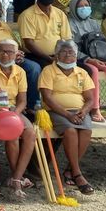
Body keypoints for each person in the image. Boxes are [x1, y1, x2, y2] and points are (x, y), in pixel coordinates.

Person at [38, 39, 96, 194]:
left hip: (79, 111)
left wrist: (84, 111)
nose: (68, 55)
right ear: (56, 55)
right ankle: (77, 174)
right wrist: (67, 115)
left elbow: (90, 99)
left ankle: (70, 170)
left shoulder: (82, 72)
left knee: (86, 131)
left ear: (76, 55)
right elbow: (47, 98)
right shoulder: (48, 71)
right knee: (70, 131)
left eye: (71, 52)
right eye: (63, 51)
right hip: (56, 111)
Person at [0, 39, 35, 198]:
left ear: (17, 54)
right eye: (2, 51)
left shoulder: (20, 72)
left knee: (30, 132)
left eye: (10, 51)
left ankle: (16, 177)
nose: (5, 54)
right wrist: (2, 111)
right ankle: (16, 179)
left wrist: (15, 113)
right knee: (13, 134)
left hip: (13, 111)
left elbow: (22, 100)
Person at [0, 0, 41, 111]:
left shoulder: (5, 26)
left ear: (1, 11)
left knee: (34, 68)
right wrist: (6, 52)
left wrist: (17, 54)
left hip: (11, 55)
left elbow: (15, 43)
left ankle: (31, 106)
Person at [18, 0, 72, 68]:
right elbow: (29, 43)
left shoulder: (60, 13)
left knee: (85, 68)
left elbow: (67, 39)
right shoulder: (27, 15)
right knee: (50, 69)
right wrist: (49, 59)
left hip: (59, 55)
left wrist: (64, 55)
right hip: (36, 56)